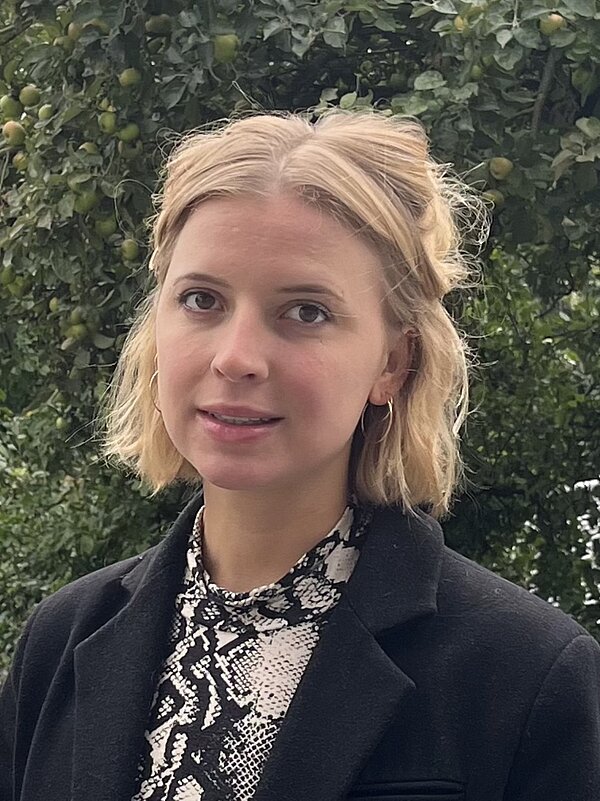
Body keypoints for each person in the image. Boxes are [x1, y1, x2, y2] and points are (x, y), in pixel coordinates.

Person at [1, 108, 598, 801]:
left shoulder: (528, 677)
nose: (236, 357)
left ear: (392, 363)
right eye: (201, 299)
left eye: (306, 311)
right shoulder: (61, 641)